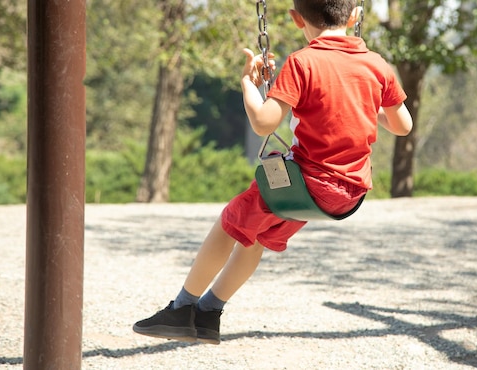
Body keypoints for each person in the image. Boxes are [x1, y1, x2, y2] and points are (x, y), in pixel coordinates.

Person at [132, 0, 413, 345]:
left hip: (307, 184)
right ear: (356, 15)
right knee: (255, 236)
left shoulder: (303, 61)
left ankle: (181, 307)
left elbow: (265, 123)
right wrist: (366, 108)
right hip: (349, 194)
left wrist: (249, 85)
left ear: (296, 19)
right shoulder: (376, 64)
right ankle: (208, 314)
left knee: (229, 224)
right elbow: (403, 125)